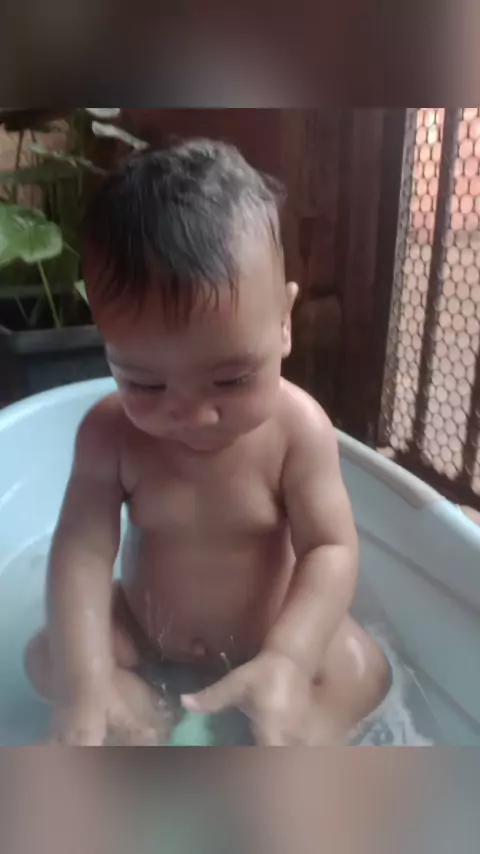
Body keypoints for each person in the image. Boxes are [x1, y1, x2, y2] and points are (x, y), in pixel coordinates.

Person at [25, 139, 390, 746]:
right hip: (146, 634)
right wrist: (87, 677)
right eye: (145, 383)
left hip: (270, 635)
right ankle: (143, 719)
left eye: (232, 379)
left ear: (284, 323)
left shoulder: (297, 431)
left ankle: (288, 722)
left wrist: (290, 657)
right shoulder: (109, 435)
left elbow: (329, 548)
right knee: (49, 658)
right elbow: (83, 553)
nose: (193, 415)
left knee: (363, 670)